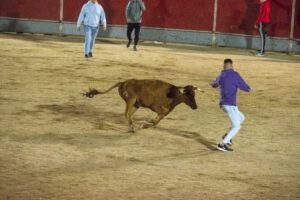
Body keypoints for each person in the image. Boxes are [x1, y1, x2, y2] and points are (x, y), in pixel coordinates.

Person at [211, 59, 251, 152]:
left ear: (223, 66)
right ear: (232, 66)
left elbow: (214, 85)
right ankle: (222, 144)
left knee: (241, 118)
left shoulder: (221, 75)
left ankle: (227, 135)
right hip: (230, 105)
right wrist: (248, 88)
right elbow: (246, 88)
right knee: (237, 126)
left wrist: (211, 83)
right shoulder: (235, 75)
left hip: (223, 104)